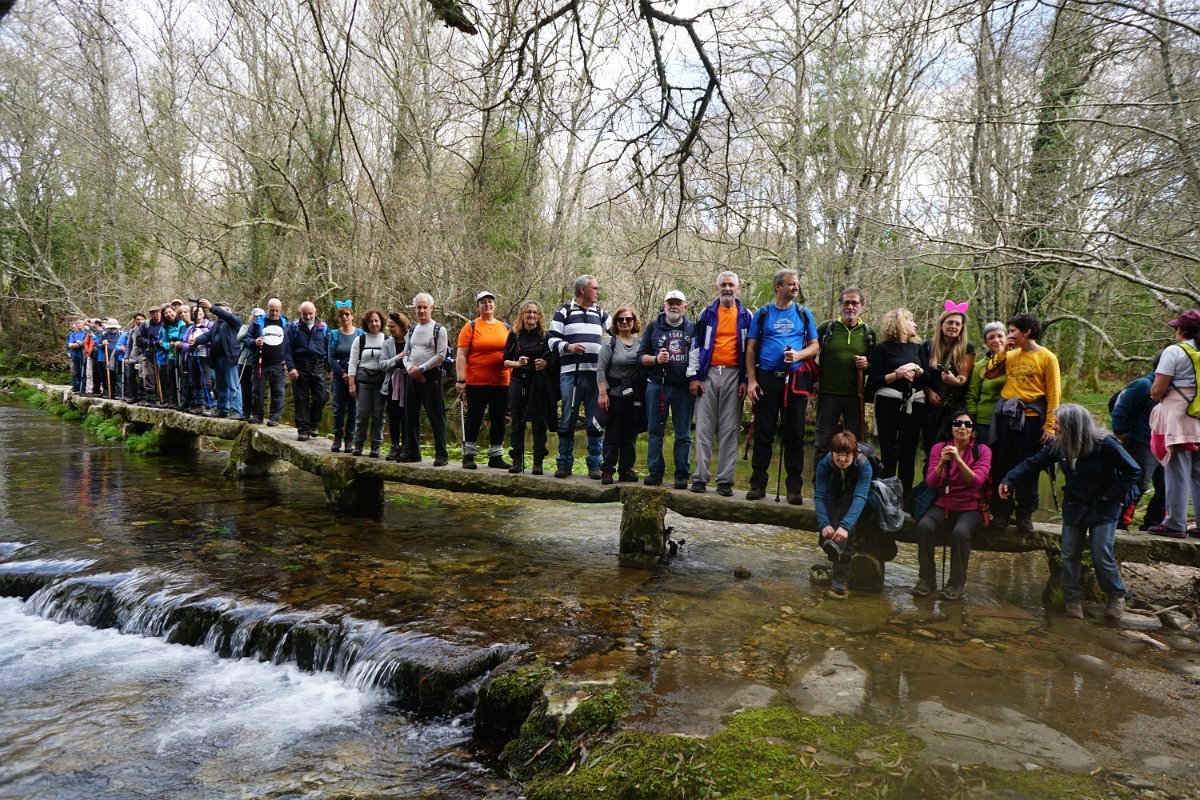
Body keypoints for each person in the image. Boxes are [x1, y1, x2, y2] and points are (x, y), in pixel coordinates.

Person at [999, 404, 1140, 620]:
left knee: (1100, 552)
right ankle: (1072, 599)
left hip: (1104, 507)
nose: (1054, 427)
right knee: (1068, 553)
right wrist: (1008, 479)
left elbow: (1133, 471)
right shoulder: (1059, 445)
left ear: (1073, 427)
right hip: (1075, 505)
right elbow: (1032, 464)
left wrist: (1110, 496)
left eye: (1059, 423)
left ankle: (1115, 595)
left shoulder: (1105, 444)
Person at [745, 269, 820, 503]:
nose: (795, 288)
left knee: (795, 434)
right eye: (791, 284)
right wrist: (751, 380)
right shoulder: (763, 313)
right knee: (764, 432)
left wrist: (798, 355)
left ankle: (794, 489)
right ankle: (758, 485)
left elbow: (815, 346)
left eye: (797, 284)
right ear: (778, 286)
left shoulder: (804, 314)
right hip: (767, 379)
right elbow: (750, 349)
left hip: (795, 381)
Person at [987, 313, 1061, 534]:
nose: (1009, 335)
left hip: (1032, 420)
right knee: (1002, 464)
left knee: (1028, 468)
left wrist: (1050, 425)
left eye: (1012, 331)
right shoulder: (1010, 355)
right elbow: (990, 374)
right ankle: (1001, 512)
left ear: (1026, 331)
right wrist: (1003, 352)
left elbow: (1054, 394)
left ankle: (1025, 513)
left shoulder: (1048, 358)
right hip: (1007, 418)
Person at [912, 409, 991, 601]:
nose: (962, 427)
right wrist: (941, 463)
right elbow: (930, 483)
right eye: (957, 423)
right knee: (924, 526)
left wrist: (958, 460)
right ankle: (927, 578)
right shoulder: (939, 448)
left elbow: (977, 482)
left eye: (968, 424)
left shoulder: (982, 451)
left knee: (961, 532)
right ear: (951, 428)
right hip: (943, 503)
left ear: (973, 431)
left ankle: (956, 583)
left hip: (972, 507)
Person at [688, 272, 751, 496]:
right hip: (708, 373)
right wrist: (694, 376)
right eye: (723, 285)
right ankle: (700, 478)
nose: (727, 288)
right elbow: (695, 346)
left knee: (730, 429)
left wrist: (746, 379)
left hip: (735, 374)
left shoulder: (746, 315)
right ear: (718, 289)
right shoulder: (707, 313)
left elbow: (751, 351)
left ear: (738, 289)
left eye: (731, 285)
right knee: (704, 428)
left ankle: (725, 481)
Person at [548, 275, 610, 479]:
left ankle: (595, 464)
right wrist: (569, 347)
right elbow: (551, 340)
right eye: (595, 288)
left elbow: (618, 332)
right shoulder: (564, 311)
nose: (598, 292)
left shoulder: (600, 313)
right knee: (568, 418)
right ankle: (564, 463)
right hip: (570, 374)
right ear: (583, 290)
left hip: (595, 375)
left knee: (595, 420)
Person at [1148, 309, 1200, 538]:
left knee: (1177, 472)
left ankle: (1175, 523)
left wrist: (1155, 395)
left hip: (1179, 420)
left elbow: (1158, 389)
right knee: (1198, 473)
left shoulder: (1174, 351)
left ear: (1182, 330)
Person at [866, 308, 926, 495]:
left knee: (908, 452)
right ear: (899, 324)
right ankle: (885, 497)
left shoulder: (918, 348)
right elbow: (872, 383)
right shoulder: (882, 348)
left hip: (914, 404)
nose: (915, 324)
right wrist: (896, 374)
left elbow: (928, 378)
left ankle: (905, 497)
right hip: (888, 404)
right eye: (911, 320)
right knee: (889, 450)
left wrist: (916, 368)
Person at [641, 290, 695, 488]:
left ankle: (682, 474)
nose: (674, 306)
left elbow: (700, 355)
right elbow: (641, 357)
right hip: (657, 386)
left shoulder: (693, 328)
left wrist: (696, 380)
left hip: (684, 388)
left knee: (683, 434)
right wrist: (656, 359)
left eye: (678, 303)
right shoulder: (653, 327)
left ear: (684, 307)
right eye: (670, 303)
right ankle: (655, 472)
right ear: (664, 306)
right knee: (655, 431)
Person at [813, 287, 873, 466]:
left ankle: (849, 489)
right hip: (828, 394)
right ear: (840, 305)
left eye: (855, 302)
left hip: (855, 396)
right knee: (823, 442)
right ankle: (820, 489)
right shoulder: (827, 327)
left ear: (862, 306)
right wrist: (815, 378)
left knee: (854, 444)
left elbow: (875, 365)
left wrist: (867, 365)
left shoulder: (868, 333)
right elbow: (809, 352)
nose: (850, 306)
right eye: (846, 302)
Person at [456, 291, 512, 470]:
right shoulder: (471, 326)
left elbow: (511, 352)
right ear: (478, 306)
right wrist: (460, 379)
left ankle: (495, 456)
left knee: (498, 419)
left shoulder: (505, 327)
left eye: (490, 302)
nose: (487, 304)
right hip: (476, 382)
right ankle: (469, 455)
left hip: (501, 382)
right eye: (483, 302)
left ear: (495, 305)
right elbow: (461, 354)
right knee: (474, 418)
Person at [813, 431, 872, 599]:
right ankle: (832, 547)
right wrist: (824, 523)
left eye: (847, 455)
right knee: (833, 518)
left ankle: (840, 580)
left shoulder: (864, 465)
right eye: (838, 454)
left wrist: (845, 526)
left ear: (854, 454)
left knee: (845, 525)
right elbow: (819, 496)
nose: (842, 459)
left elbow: (860, 497)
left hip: (858, 497)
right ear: (832, 453)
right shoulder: (824, 464)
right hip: (834, 495)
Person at [1111, 354, 1167, 531]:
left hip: (1166, 444)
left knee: (1167, 488)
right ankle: (1120, 523)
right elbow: (1120, 409)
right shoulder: (1144, 385)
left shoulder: (1172, 388)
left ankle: (1154, 524)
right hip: (1141, 442)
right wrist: (1120, 434)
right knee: (1138, 484)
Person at [504, 301, 555, 474]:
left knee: (539, 422)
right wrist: (518, 363)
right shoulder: (515, 335)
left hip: (538, 384)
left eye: (534, 312)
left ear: (539, 316)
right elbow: (505, 361)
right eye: (528, 312)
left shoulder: (545, 336)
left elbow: (554, 359)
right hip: (518, 381)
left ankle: (538, 463)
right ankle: (517, 461)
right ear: (522, 315)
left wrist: (545, 363)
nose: (531, 315)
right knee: (517, 420)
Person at [401, 293, 450, 466]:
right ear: (415, 309)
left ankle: (441, 455)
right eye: (418, 307)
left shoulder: (439, 329)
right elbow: (405, 353)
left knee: (436, 415)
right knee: (410, 415)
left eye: (424, 307)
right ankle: (412, 452)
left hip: (431, 376)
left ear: (431, 308)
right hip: (412, 375)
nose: (421, 310)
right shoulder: (412, 330)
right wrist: (410, 369)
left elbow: (441, 355)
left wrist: (421, 369)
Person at [597, 306, 644, 484]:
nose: (625, 322)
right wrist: (603, 394)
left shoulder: (640, 344)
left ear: (634, 322)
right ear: (616, 322)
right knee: (613, 433)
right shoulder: (610, 343)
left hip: (634, 397)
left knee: (630, 435)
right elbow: (600, 369)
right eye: (621, 319)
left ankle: (626, 470)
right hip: (614, 395)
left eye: (629, 319)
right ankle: (607, 470)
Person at [922, 302, 976, 453]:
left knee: (952, 446)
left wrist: (954, 381)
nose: (954, 326)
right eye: (950, 322)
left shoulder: (967, 348)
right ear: (941, 325)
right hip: (931, 405)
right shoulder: (928, 346)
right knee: (931, 447)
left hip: (955, 405)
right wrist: (928, 392)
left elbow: (963, 377)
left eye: (957, 324)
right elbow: (922, 376)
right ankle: (930, 475)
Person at [286, 301, 329, 442]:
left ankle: (314, 423)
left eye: (310, 313)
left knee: (322, 396)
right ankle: (303, 429)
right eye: (305, 314)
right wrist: (291, 367)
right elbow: (287, 349)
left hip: (318, 365)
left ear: (315, 312)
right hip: (300, 365)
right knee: (301, 399)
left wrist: (330, 368)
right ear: (301, 313)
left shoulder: (323, 327)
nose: (308, 316)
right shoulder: (294, 327)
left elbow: (329, 348)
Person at [348, 309, 387, 457]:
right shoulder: (360, 339)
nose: (374, 324)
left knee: (379, 414)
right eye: (371, 321)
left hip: (380, 383)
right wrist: (352, 384)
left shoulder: (387, 340)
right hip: (363, 382)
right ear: (366, 323)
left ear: (381, 322)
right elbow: (352, 362)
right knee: (362, 414)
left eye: (376, 321)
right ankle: (358, 444)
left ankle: (375, 446)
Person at [246, 299, 291, 426]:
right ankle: (257, 415)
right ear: (267, 308)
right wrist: (254, 342)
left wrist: (288, 362)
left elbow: (290, 344)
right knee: (258, 391)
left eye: (277, 310)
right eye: (272, 310)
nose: (274, 313)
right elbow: (247, 340)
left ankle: (275, 417)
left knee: (278, 391)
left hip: (279, 364)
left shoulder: (286, 324)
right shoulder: (257, 322)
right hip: (260, 362)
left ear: (281, 310)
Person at [195, 300, 242, 419]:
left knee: (233, 385)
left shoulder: (233, 321)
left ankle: (237, 410)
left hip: (230, 357)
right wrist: (196, 340)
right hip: (217, 358)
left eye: (222, 310)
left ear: (228, 310)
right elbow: (208, 335)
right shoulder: (216, 324)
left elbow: (226, 316)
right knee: (221, 386)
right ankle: (223, 409)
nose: (219, 313)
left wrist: (211, 307)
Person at [965, 321, 1007, 445]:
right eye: (991, 337)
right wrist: (972, 424)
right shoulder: (979, 366)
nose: (996, 340)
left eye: (1000, 336)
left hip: (1011, 420)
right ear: (985, 342)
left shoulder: (1017, 360)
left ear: (1007, 337)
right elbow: (971, 396)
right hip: (985, 422)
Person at [327, 301, 361, 452]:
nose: (344, 317)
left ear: (352, 316)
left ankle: (349, 440)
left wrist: (353, 374)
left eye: (347, 314)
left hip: (356, 376)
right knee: (339, 408)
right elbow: (331, 358)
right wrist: (342, 374)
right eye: (341, 315)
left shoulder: (360, 334)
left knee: (353, 409)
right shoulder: (334, 334)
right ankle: (337, 437)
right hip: (340, 377)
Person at [380, 312, 411, 461]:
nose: (389, 329)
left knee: (407, 415)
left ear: (401, 326)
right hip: (392, 383)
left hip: (409, 383)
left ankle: (406, 446)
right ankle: (394, 446)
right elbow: (383, 364)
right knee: (394, 416)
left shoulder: (411, 340)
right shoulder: (387, 343)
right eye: (388, 326)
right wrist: (397, 358)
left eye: (392, 326)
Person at [183, 306, 214, 412]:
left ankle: (210, 405)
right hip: (192, 356)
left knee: (206, 382)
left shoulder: (210, 325)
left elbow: (214, 340)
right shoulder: (191, 328)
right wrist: (189, 346)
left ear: (204, 313)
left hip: (205, 357)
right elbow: (184, 342)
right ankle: (199, 405)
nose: (197, 313)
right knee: (195, 382)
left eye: (199, 311)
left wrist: (200, 342)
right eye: (194, 312)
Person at [237, 307, 263, 421]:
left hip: (256, 362)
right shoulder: (245, 327)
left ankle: (256, 413)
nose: (257, 319)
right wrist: (252, 332)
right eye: (255, 316)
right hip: (244, 361)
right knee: (245, 387)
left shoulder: (264, 329)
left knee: (256, 389)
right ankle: (245, 412)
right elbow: (239, 338)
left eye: (260, 317)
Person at [138, 307, 166, 405]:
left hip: (163, 353)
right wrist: (150, 342)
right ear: (150, 314)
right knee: (148, 375)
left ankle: (163, 398)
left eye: (158, 312)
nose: (157, 314)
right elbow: (139, 339)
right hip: (149, 353)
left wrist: (160, 342)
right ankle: (150, 399)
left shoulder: (165, 323)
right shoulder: (145, 325)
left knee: (162, 375)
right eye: (154, 313)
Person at [161, 305, 187, 408]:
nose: (168, 314)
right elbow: (164, 342)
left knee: (183, 377)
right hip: (172, 355)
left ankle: (184, 401)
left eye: (170, 312)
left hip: (183, 353)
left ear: (175, 312)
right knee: (172, 378)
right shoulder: (165, 328)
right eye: (166, 313)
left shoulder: (182, 323)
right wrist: (170, 345)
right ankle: (173, 401)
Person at [67, 320, 87, 393]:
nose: (79, 325)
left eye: (81, 323)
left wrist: (78, 344)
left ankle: (84, 388)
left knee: (84, 372)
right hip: (75, 356)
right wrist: (76, 345)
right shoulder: (73, 334)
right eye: (77, 323)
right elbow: (69, 345)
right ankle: (77, 387)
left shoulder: (86, 333)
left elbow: (86, 343)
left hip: (84, 356)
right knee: (76, 372)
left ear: (83, 324)